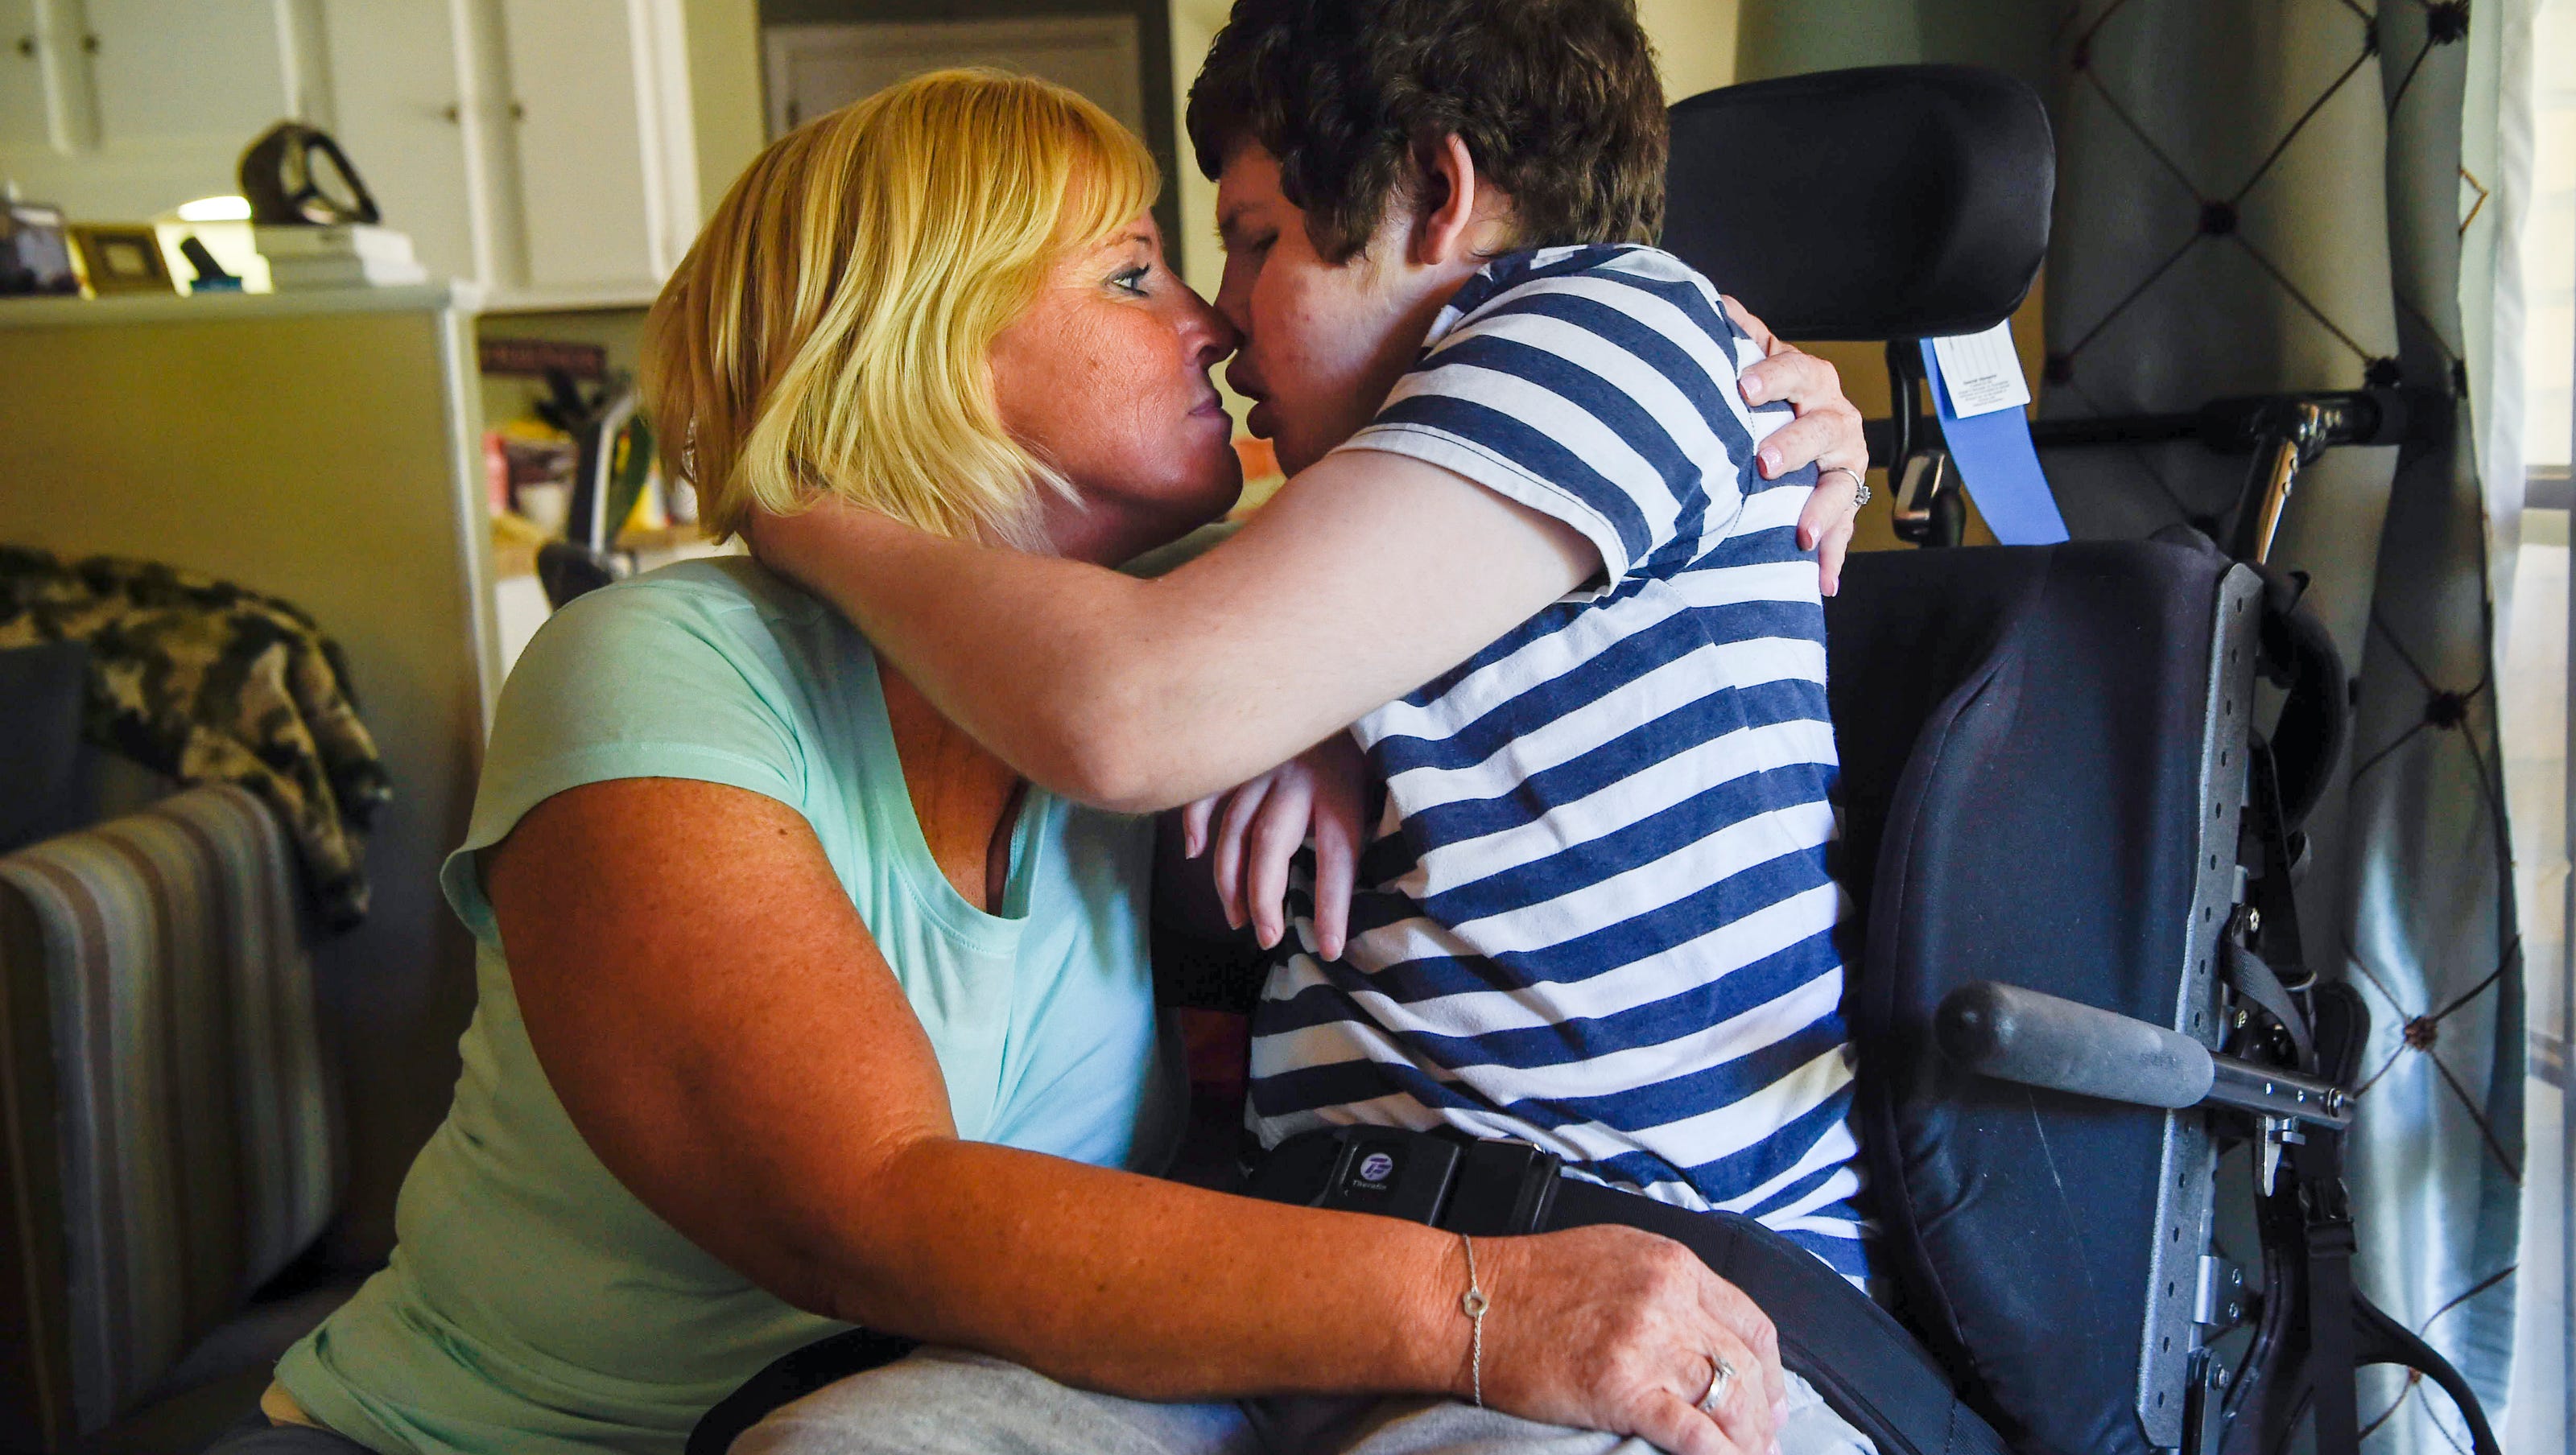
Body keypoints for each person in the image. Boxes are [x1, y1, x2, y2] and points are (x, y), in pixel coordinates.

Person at [206, 66, 1871, 1455]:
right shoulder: (658, 664)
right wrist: (1484, 1307)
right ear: (923, 338)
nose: (1216, 318)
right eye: (1138, 273)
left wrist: (1750, 378)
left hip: (986, 1392)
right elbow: (870, 1205)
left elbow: (1408, 541)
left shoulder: (1178, 639)